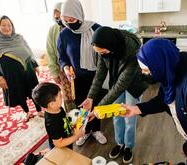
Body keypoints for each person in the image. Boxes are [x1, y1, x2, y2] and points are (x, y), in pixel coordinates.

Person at [122, 38, 187, 165]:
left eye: (146, 70)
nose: (143, 73)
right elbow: (163, 100)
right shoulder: (171, 67)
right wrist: (136, 109)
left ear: (158, 65)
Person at [81, 26, 149, 164]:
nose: (102, 55)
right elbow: (100, 74)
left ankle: (128, 146)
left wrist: (99, 108)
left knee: (129, 118)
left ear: (112, 48)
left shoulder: (132, 51)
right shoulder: (103, 47)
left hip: (133, 84)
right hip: (116, 82)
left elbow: (121, 85)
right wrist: (90, 97)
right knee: (116, 116)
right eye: (99, 53)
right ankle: (120, 144)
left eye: (104, 52)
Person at [57, 0, 107, 146]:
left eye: (71, 19)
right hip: (76, 78)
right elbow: (62, 57)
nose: (68, 23)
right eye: (65, 20)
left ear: (79, 15)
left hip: (96, 77)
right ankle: (83, 132)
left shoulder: (96, 29)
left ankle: (96, 130)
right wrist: (66, 68)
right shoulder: (64, 34)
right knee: (81, 107)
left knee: (96, 104)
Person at [0, 15, 43, 122]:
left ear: (12, 26)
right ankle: (27, 112)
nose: (7, 27)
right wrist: (0, 78)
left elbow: (28, 51)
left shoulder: (19, 38)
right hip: (11, 75)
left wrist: (35, 65)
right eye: (3, 25)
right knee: (19, 93)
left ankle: (39, 110)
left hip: (28, 71)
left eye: (9, 25)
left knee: (34, 90)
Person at [32, 82, 84, 149]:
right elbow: (59, 144)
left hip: (67, 140)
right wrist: (77, 136)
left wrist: (73, 126)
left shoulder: (58, 108)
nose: (62, 97)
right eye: (60, 96)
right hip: (60, 149)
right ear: (52, 104)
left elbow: (64, 120)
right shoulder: (52, 123)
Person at [46, 2, 75, 112]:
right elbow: (50, 52)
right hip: (63, 70)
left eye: (61, 17)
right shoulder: (53, 30)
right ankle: (72, 120)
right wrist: (54, 72)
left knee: (80, 94)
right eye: (56, 18)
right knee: (68, 97)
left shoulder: (74, 27)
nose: (59, 20)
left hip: (77, 69)